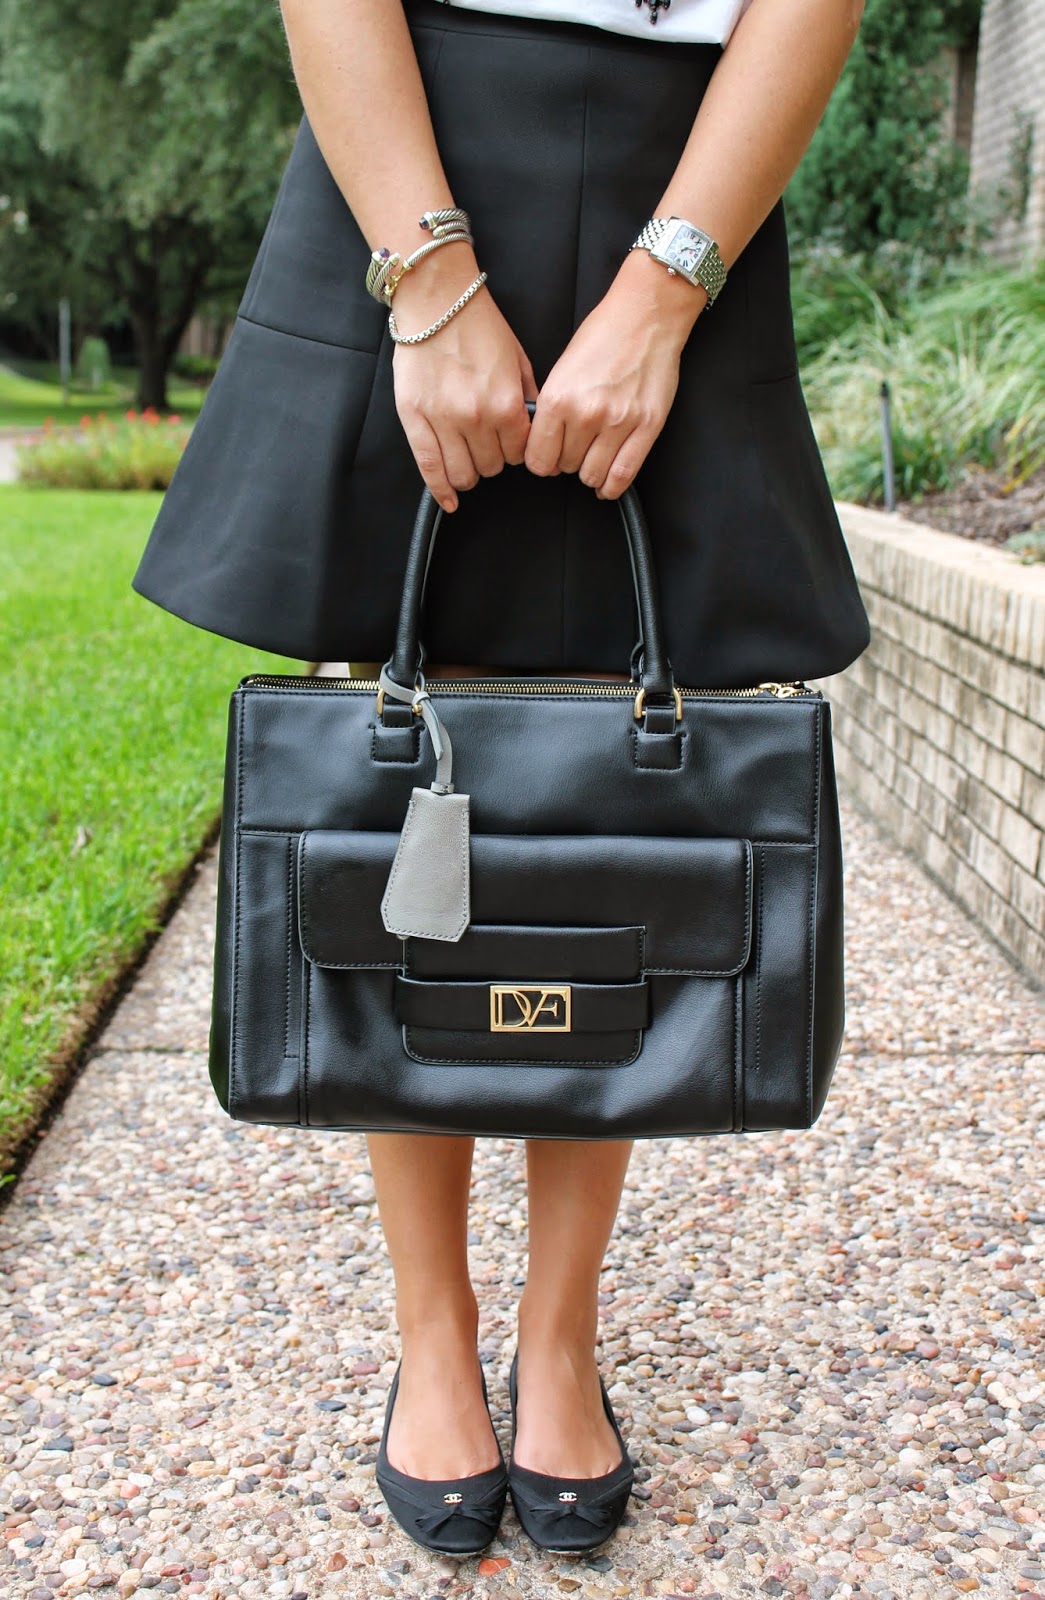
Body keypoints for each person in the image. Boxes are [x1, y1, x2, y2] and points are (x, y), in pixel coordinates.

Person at [132, 0, 870, 1560]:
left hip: (690, 167)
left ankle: (558, 1335)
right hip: (413, 142)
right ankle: (431, 1333)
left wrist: (664, 288)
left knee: (614, 809)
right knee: (406, 779)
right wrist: (428, 279)